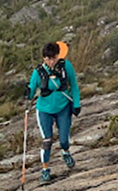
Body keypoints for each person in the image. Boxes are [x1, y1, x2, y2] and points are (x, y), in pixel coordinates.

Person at [26, 42, 81, 184]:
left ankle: (66, 153)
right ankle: (45, 171)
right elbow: (31, 89)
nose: (51, 61)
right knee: (47, 141)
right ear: (44, 58)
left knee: (64, 140)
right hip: (44, 110)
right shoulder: (38, 72)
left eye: (53, 58)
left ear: (58, 55)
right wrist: (27, 92)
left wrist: (76, 104)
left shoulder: (66, 66)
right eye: (48, 58)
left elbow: (74, 85)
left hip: (63, 107)